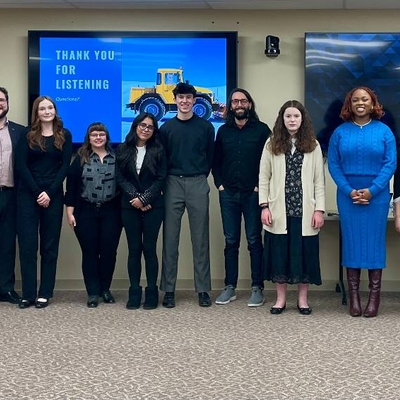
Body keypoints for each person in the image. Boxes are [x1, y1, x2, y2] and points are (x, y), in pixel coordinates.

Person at [328, 86, 396, 318]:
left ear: (372, 103)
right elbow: (334, 165)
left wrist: (372, 191)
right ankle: (354, 298)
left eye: (365, 99)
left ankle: (374, 298)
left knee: (375, 243)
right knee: (352, 243)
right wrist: (349, 191)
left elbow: (390, 163)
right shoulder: (339, 132)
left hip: (377, 196)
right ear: (350, 104)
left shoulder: (384, 131)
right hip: (347, 196)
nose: (360, 103)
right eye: (355, 100)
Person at [259, 100, 325, 315]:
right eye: (288, 116)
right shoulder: (271, 144)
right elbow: (264, 177)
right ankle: (280, 300)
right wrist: (264, 206)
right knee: (280, 256)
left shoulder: (313, 145)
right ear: (282, 119)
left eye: (296, 116)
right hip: (279, 211)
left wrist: (319, 210)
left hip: (305, 211)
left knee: (303, 255)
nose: (292, 120)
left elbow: (319, 181)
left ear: (302, 119)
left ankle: (302, 300)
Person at [212, 88, 270, 306]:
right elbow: (216, 161)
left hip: (253, 194)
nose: (239, 104)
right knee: (231, 241)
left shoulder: (262, 130)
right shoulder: (223, 131)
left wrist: (259, 187)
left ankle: (257, 287)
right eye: (235, 101)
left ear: (249, 104)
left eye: (243, 101)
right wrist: (219, 184)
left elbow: (270, 162)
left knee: (254, 241)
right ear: (230, 106)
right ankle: (230, 287)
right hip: (228, 194)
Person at [159, 82, 215, 308]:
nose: (184, 101)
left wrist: (200, 176)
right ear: (175, 100)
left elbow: (210, 156)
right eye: (180, 97)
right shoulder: (166, 128)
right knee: (170, 239)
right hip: (172, 182)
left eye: (188, 98)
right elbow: (162, 159)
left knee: (200, 239)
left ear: (194, 100)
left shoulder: (206, 127)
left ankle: (203, 290)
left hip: (197, 182)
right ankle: (168, 290)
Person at [16, 95, 73, 309]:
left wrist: (49, 192)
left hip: (53, 196)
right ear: (36, 112)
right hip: (27, 195)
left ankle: (45, 293)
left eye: (50, 108)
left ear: (55, 110)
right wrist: (37, 192)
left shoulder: (64, 135)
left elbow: (65, 166)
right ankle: (28, 294)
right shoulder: (27, 135)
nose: (47, 111)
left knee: (49, 247)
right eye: (42, 108)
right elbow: (21, 165)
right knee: (28, 246)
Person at [65, 122, 122, 308]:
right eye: (94, 135)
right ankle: (92, 292)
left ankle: (105, 289)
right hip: (85, 211)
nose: (98, 137)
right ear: (88, 138)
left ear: (107, 137)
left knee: (108, 253)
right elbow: (71, 186)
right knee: (90, 252)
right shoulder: (80, 158)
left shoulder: (117, 157)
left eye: (101, 134)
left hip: (111, 211)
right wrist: (69, 212)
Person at [116, 113, 167, 310]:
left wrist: (145, 199)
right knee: (134, 249)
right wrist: (136, 199)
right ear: (135, 126)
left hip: (154, 206)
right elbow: (120, 178)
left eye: (150, 127)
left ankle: (152, 291)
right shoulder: (123, 148)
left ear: (154, 131)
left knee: (149, 248)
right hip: (129, 206)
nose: (146, 129)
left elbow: (161, 178)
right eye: (142, 125)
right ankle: (134, 291)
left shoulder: (159, 149)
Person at [0, 87, 26, 304]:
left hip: (10, 195)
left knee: (7, 244)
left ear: (7, 103)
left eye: (1, 100)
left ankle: (6, 288)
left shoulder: (20, 131)